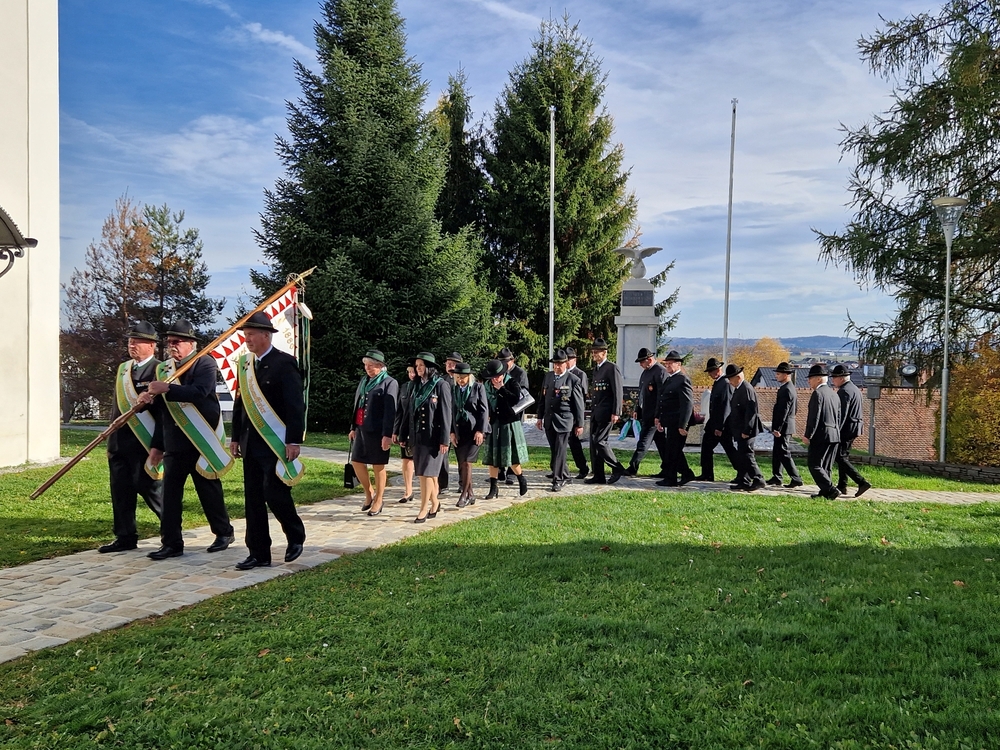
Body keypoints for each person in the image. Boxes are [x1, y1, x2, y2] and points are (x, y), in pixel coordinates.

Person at [140, 319, 235, 560]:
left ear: (191, 343)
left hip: (201, 439)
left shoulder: (204, 362)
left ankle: (223, 532)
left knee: (208, 491)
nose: (172, 346)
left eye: (177, 341)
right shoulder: (164, 369)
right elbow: (163, 411)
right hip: (175, 442)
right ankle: (171, 543)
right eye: (169, 342)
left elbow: (200, 392)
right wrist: (157, 443)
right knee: (170, 495)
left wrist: (167, 389)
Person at [229, 312, 308, 570]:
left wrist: (293, 440)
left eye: (251, 334)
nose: (247, 339)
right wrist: (235, 437)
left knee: (275, 493)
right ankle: (258, 553)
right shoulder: (245, 365)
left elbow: (295, 405)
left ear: (266, 335)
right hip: (251, 443)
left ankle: (295, 535)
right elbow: (240, 404)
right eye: (245, 335)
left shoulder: (284, 363)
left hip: (275, 441)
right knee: (253, 499)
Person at [99, 321, 164, 553]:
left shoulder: (160, 370)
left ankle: (171, 533)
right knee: (121, 492)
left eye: (137, 341)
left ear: (152, 345)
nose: (132, 345)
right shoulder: (123, 369)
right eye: (130, 341)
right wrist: (111, 440)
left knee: (151, 490)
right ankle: (125, 536)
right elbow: (116, 408)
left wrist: (158, 445)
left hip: (144, 442)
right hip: (120, 442)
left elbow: (164, 413)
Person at [397, 353, 452, 523]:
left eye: (421, 365)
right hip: (417, 437)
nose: (418, 368)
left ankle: (423, 509)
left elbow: (446, 414)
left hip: (433, 438)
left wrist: (445, 439)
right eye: (416, 365)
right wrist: (403, 434)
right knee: (422, 474)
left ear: (429, 367)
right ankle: (435, 503)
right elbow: (408, 412)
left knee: (428, 474)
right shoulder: (415, 385)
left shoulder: (440, 385)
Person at [348, 349, 399, 516]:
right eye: (366, 365)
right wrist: (353, 427)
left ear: (380, 366)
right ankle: (369, 492)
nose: (368, 368)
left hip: (378, 431)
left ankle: (379, 498)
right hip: (361, 428)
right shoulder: (364, 381)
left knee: (378, 465)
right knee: (356, 461)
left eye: (371, 365)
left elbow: (390, 411)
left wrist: (387, 435)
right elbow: (357, 404)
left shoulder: (389, 383)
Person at [537, 348, 585, 491]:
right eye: (555, 364)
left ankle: (558, 479)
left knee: (560, 450)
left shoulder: (573, 380)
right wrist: (539, 417)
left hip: (564, 421)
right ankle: (566, 475)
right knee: (555, 449)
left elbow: (578, 404)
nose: (557, 367)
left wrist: (580, 424)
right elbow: (543, 399)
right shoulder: (548, 377)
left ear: (566, 364)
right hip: (549, 420)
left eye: (560, 364)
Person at [481, 359, 530, 498]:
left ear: (503, 374)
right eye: (492, 377)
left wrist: (501, 389)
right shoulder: (486, 386)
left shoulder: (512, 382)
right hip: (494, 424)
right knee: (492, 458)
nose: (495, 380)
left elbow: (515, 400)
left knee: (510, 456)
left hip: (509, 423)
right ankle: (493, 488)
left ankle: (521, 479)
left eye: (497, 377)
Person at [586, 338, 626, 484]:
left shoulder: (611, 368)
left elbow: (617, 391)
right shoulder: (597, 369)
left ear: (604, 353)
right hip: (596, 412)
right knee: (594, 444)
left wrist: (616, 412)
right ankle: (598, 475)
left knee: (600, 441)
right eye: (593, 352)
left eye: (596, 352)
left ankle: (617, 467)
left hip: (607, 412)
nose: (594, 354)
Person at [450, 361, 489, 507]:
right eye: (458, 377)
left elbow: (484, 410)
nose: (460, 380)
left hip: (474, 431)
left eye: (463, 377)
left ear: (469, 376)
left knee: (467, 462)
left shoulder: (478, 387)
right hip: (459, 431)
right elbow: (450, 411)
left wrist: (481, 430)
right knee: (462, 464)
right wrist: (451, 432)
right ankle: (471, 494)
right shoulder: (453, 389)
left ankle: (464, 495)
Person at [655, 350, 696, 486]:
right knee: (673, 451)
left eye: (670, 363)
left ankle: (672, 478)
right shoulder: (669, 379)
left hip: (678, 422)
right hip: (670, 421)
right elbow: (663, 400)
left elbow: (687, 404)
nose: (667, 366)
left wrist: (683, 425)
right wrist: (659, 418)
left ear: (678, 364)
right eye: (666, 364)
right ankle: (685, 473)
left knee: (673, 451)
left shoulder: (682, 379)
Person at [626, 348, 668, 477]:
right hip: (646, 413)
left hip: (653, 416)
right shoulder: (645, 373)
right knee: (662, 445)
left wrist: (658, 415)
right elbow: (642, 394)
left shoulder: (660, 371)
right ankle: (669, 469)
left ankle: (633, 467)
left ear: (649, 360)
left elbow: (661, 396)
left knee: (643, 442)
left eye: (642, 362)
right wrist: (637, 409)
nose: (640, 365)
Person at [831, 364, 871, 497]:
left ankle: (861, 482)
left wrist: (836, 431)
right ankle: (842, 485)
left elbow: (841, 414)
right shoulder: (854, 389)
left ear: (841, 378)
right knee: (843, 456)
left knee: (839, 456)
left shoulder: (844, 391)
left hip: (846, 428)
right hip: (855, 427)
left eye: (834, 377)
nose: (832, 380)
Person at [696, 357, 739, 482]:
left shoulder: (725, 383)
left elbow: (725, 406)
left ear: (719, 369)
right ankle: (707, 474)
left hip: (722, 425)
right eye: (709, 371)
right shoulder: (719, 382)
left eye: (712, 371)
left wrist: (720, 427)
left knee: (729, 449)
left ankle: (744, 472)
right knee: (707, 446)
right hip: (714, 423)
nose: (710, 374)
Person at [802, 363, 842, 499]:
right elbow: (838, 417)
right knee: (826, 466)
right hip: (834, 434)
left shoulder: (818, 394)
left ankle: (831, 489)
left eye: (810, 378)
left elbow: (814, 417)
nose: (808, 381)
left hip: (821, 435)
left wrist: (808, 435)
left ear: (818, 378)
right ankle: (825, 492)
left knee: (814, 464)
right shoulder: (834, 394)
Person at [725, 363, 765, 492]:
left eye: (731, 379)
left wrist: (747, 430)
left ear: (737, 377)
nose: (730, 382)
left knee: (747, 455)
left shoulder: (746, 389)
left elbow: (751, 412)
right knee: (742, 455)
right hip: (739, 429)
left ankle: (758, 478)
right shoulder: (739, 389)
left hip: (746, 429)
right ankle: (744, 480)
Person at [767, 361, 803, 488]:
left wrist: (778, 428)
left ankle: (796, 478)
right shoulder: (790, 388)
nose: (776, 375)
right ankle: (777, 476)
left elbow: (783, 411)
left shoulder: (786, 389)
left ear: (786, 375)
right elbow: (795, 408)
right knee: (777, 451)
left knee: (783, 452)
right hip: (786, 425)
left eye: (778, 374)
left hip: (783, 427)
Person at [498, 347, 529, 485]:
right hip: (501, 413)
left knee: (512, 444)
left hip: (515, 413)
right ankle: (500, 470)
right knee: (500, 441)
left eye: (506, 361)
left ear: (512, 360)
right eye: (501, 361)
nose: (504, 364)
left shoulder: (520, 373)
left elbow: (523, 393)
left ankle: (511, 473)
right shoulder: (499, 372)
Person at [391, 362, 418, 503]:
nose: (412, 375)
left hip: (421, 429)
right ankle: (408, 490)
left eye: (414, 372)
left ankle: (433, 490)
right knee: (407, 459)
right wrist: (395, 431)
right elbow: (399, 411)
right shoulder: (404, 387)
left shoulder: (425, 386)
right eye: (409, 372)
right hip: (405, 429)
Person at [438, 352, 463, 493]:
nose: (449, 366)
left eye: (452, 364)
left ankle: (463, 483)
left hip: (459, 422)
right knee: (443, 454)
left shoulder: (464, 380)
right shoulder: (441, 380)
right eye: (448, 364)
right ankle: (443, 485)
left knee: (462, 455)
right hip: (445, 421)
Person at [565, 346, 590, 479]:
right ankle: (559, 468)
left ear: (574, 360)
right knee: (559, 444)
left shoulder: (580, 374)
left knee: (574, 443)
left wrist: (579, 419)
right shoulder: (562, 373)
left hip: (574, 415)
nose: (566, 362)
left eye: (568, 359)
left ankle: (583, 467)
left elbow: (582, 397)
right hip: (563, 415)